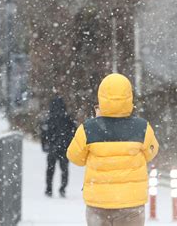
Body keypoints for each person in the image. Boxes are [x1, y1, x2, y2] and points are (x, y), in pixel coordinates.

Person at [67, 73, 159, 226]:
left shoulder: (88, 129)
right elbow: (151, 153)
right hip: (131, 203)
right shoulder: (142, 128)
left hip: (98, 203)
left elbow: (75, 157)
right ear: (129, 97)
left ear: (101, 97)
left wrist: (99, 119)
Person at [41, 95, 76, 197]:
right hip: (65, 148)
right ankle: (62, 188)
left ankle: (49, 189)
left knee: (50, 169)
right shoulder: (67, 119)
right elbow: (74, 132)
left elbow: (44, 133)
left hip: (52, 147)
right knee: (64, 170)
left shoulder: (49, 119)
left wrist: (44, 145)